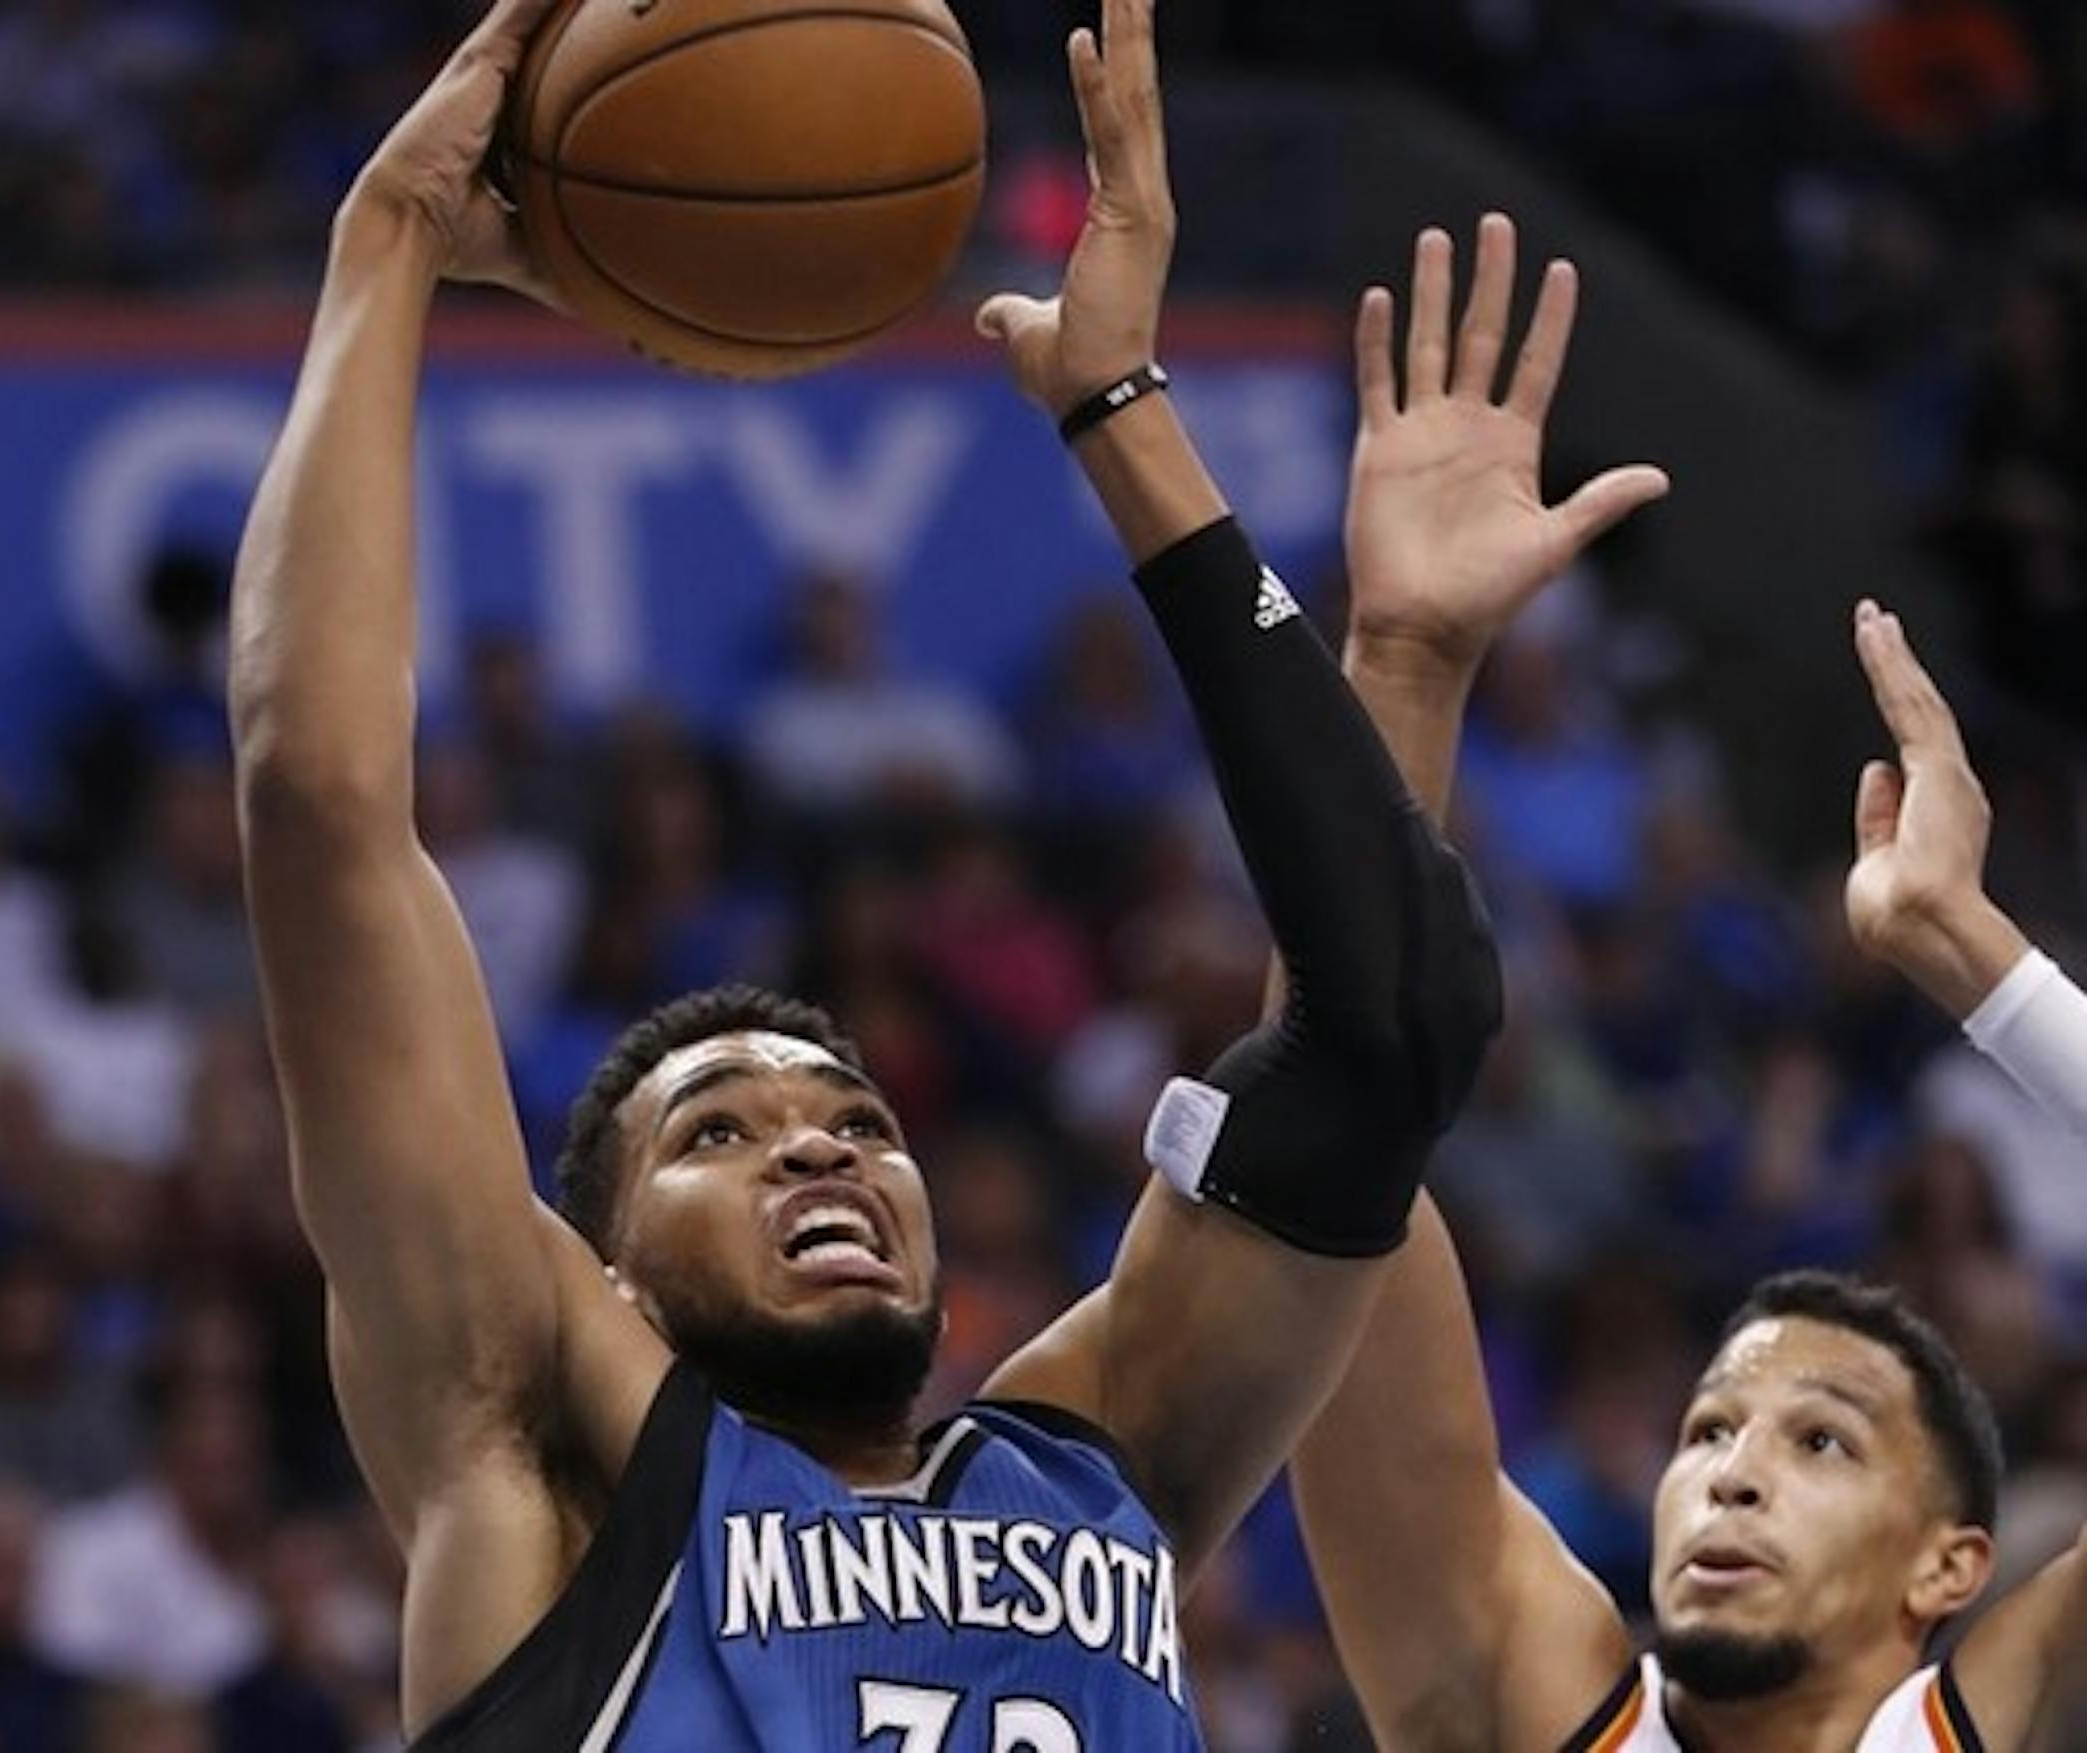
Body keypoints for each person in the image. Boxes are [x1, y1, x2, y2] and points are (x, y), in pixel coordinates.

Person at [226, 1, 1504, 1748]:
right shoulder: (539, 1443)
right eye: (716, 1137)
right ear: (606, 1277)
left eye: (854, 1117)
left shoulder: (1089, 1461)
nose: (819, 1139)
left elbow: (1392, 1023)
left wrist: (1132, 423)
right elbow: (319, 800)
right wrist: (385, 252)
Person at [1292, 213, 2087, 1751]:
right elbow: (1323, 1132)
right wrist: (1402, 666)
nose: (1728, 1471)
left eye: (1820, 1441)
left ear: (1952, 1565)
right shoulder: (1516, 1693)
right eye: (1711, 1428)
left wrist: (1972, 960)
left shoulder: (2021, 1709)